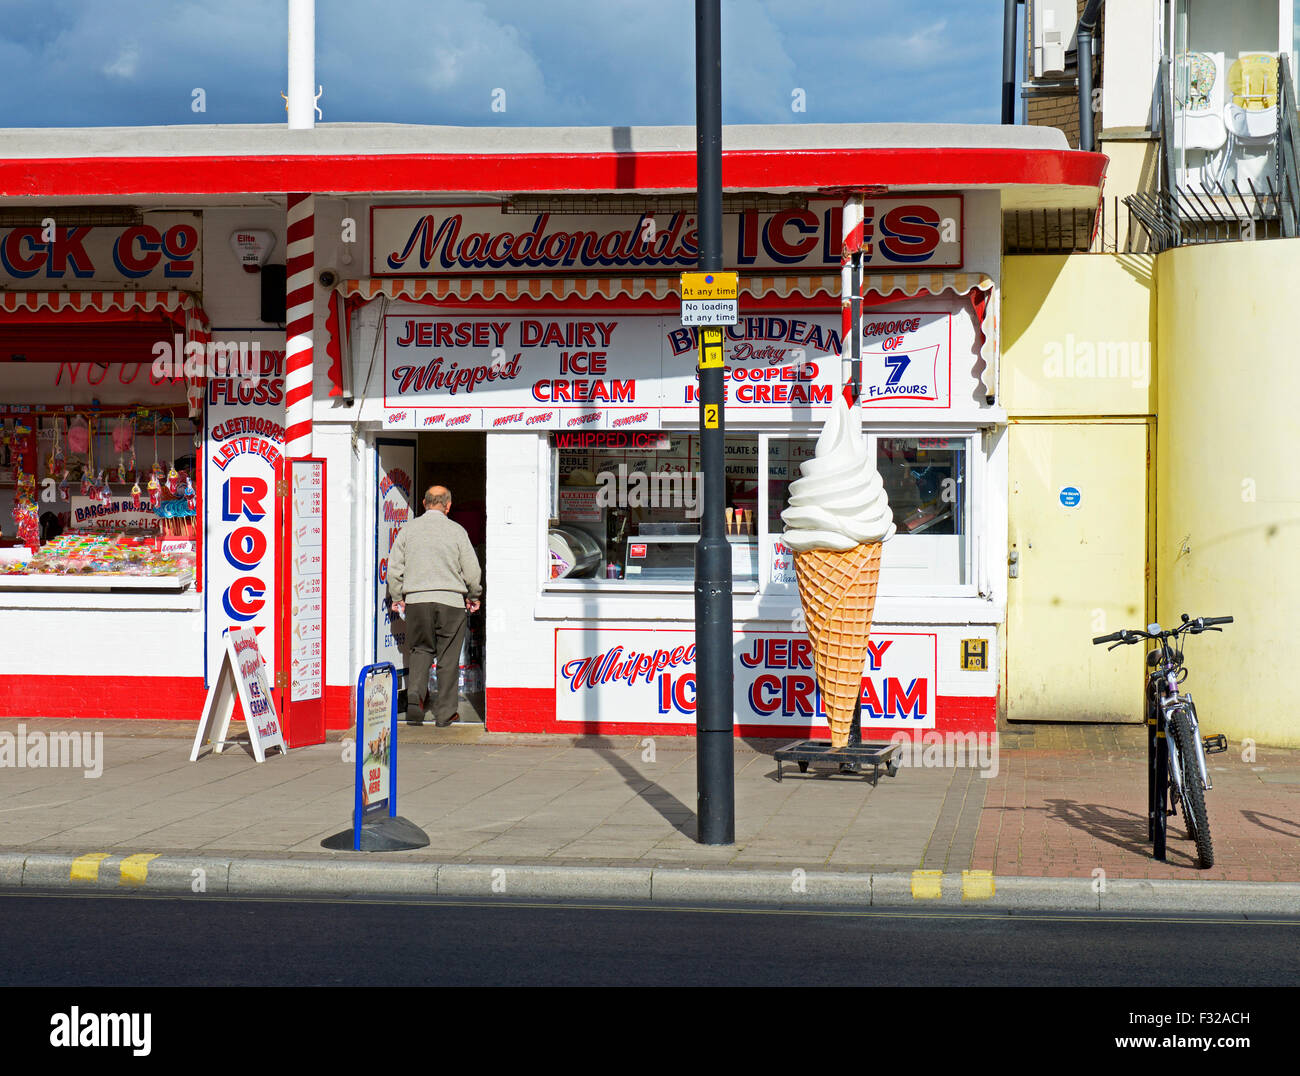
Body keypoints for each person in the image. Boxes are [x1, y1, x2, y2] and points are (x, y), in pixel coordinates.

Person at [387, 485, 482, 726]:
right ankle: (446, 713)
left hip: (417, 601)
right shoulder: (457, 531)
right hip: (450, 602)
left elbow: (394, 568)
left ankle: (415, 697)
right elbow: (472, 570)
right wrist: (474, 594)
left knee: (420, 650)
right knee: (448, 657)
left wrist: (397, 596)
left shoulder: (408, 530)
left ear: (423, 503)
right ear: (448, 506)